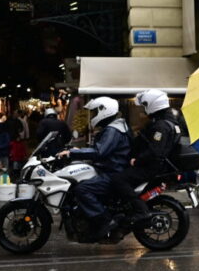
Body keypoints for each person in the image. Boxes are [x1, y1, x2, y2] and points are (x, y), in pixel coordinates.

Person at [57, 97, 131, 240]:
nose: (94, 115)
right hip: (112, 169)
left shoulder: (113, 130)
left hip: (112, 172)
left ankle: (105, 220)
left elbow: (99, 152)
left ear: (104, 111)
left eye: (96, 111)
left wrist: (72, 153)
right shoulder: (115, 127)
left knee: (81, 189)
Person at [112, 89, 181, 223]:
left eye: (145, 105)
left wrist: (137, 161)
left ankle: (140, 210)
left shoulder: (161, 126)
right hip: (161, 166)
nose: (144, 109)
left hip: (152, 167)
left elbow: (155, 151)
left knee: (117, 180)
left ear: (154, 104)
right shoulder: (170, 122)